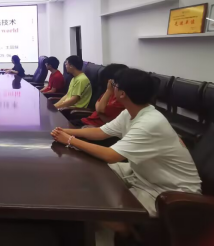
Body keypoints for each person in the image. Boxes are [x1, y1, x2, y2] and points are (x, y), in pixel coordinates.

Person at [51, 68, 201, 222]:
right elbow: (101, 132)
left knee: (97, 203)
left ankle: (122, 228)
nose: (111, 88)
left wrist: (70, 140)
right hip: (144, 174)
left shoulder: (150, 123)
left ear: (122, 93)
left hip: (171, 192)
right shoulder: (131, 112)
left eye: (114, 85)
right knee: (91, 172)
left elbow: (111, 156)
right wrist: (65, 131)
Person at [73, 64, 128, 128]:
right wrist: (99, 110)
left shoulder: (120, 97)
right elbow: (97, 104)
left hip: (95, 126)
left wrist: (108, 90)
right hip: (87, 121)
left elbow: (100, 109)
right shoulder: (110, 92)